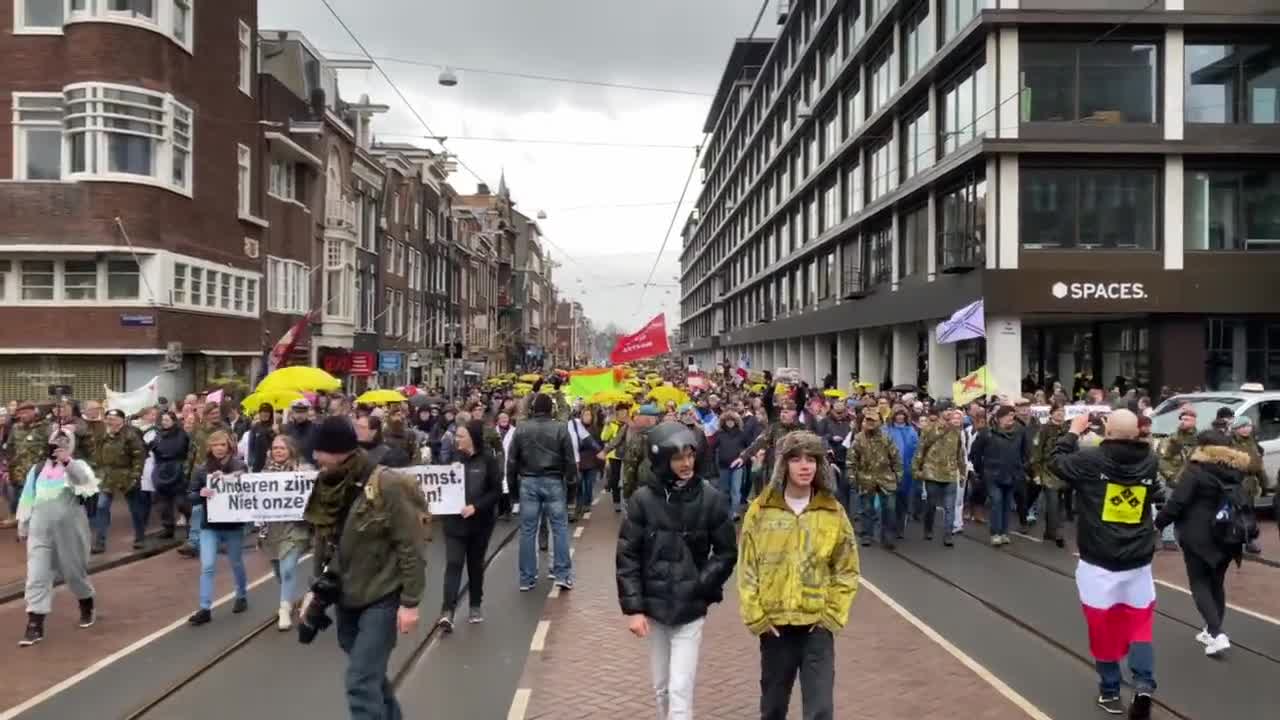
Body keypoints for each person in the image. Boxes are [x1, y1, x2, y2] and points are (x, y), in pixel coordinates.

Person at [303, 415, 428, 720]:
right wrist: (314, 591)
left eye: (318, 452)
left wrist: (410, 602)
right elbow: (323, 540)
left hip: (382, 595)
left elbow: (410, 544)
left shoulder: (387, 484)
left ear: (337, 450)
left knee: (359, 683)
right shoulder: (325, 484)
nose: (314, 458)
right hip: (345, 595)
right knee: (371, 680)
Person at [616, 422, 737, 720]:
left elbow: (726, 552)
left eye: (690, 455)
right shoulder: (642, 501)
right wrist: (634, 609)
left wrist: (701, 584)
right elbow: (627, 555)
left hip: (690, 610)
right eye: (677, 457)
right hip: (654, 608)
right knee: (662, 687)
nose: (686, 464)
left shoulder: (711, 499)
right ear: (661, 460)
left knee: (681, 687)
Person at [738, 431, 859, 720]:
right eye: (796, 459)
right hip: (775, 627)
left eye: (811, 459)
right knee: (773, 707)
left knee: (819, 710)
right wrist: (758, 618)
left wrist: (830, 617)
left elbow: (847, 569)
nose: (804, 466)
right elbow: (748, 568)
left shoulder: (833, 512)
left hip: (816, 627)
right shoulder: (761, 510)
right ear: (783, 465)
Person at [1048, 410, 1161, 719]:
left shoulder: (1091, 460)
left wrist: (1072, 431)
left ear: (1106, 432)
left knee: (1103, 628)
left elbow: (1056, 462)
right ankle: (1143, 684)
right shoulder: (1150, 460)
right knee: (1139, 625)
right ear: (1137, 432)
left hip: (1099, 560)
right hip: (1137, 559)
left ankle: (1110, 692)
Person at [1154, 430, 1252, 658]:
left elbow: (1177, 502)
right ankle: (1211, 629)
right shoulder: (1236, 470)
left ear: (1204, 447)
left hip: (1197, 535)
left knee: (1199, 582)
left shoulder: (1196, 471)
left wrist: (1158, 524)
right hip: (1228, 535)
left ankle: (1217, 633)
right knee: (1217, 582)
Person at [16, 433, 99, 646]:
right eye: (56, 441)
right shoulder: (37, 469)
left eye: (64, 442)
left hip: (69, 531)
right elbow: (27, 497)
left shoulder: (77, 466)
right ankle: (34, 624)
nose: (58, 446)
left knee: (74, 574)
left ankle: (86, 602)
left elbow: (85, 482)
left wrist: (67, 462)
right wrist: (23, 525)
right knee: (37, 576)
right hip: (40, 531)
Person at [507, 393, 578, 592]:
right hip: (554, 481)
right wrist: (572, 492)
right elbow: (570, 462)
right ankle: (562, 574)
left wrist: (513, 494)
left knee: (528, 531)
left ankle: (527, 578)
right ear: (551, 410)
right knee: (560, 529)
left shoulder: (521, 429)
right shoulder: (560, 428)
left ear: (533, 409)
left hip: (528, 482)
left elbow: (511, 462)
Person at [438, 421, 501, 630]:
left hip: (480, 524)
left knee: (475, 565)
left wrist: (477, 507)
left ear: (472, 438)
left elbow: (496, 491)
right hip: (454, 524)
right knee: (453, 564)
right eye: (456, 436)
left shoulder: (488, 461)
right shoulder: (453, 459)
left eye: (461, 436)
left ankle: (475, 605)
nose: (456, 440)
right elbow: (441, 487)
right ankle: (447, 611)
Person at [187, 430, 249, 625]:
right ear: (210, 447)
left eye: (222, 445)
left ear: (229, 446)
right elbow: (190, 494)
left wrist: (232, 477)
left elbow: (248, 487)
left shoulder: (239, 465)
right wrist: (201, 494)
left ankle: (241, 595)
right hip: (209, 524)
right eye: (215, 445)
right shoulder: (201, 469)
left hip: (233, 524)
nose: (219, 449)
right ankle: (205, 608)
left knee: (236, 562)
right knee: (207, 565)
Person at [261, 435, 312, 631]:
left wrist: (306, 477)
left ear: (290, 449)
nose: (278, 451)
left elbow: (318, 484)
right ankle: (288, 598)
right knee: (278, 570)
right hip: (273, 529)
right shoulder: (263, 473)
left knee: (288, 567)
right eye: (275, 448)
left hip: (295, 527)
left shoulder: (303, 469)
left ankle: (284, 609)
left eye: (282, 448)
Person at [970, 405, 1029, 547]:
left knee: (1007, 504)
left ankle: (1004, 533)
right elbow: (975, 454)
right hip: (992, 475)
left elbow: (1025, 452)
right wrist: (980, 470)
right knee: (996, 501)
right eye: (1007, 416)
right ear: (998, 418)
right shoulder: (987, 433)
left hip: (1012, 474)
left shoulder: (1020, 432)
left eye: (1012, 415)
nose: (1010, 418)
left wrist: (1022, 467)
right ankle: (995, 533)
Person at [92, 409, 146, 554]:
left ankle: (140, 537)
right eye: (108, 418)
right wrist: (97, 471)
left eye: (114, 418)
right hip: (107, 476)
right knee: (102, 506)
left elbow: (138, 457)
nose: (110, 421)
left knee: (135, 508)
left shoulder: (131, 435)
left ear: (122, 420)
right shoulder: (103, 435)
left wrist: (135, 476)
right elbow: (97, 453)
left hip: (126, 475)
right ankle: (100, 542)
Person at [848, 409, 901, 549]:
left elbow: (895, 458)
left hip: (886, 478)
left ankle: (887, 536)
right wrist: (852, 477)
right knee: (867, 508)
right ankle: (866, 534)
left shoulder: (886, 438)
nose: (869, 423)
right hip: (866, 478)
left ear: (878, 422)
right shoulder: (858, 438)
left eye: (872, 421)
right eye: (867, 420)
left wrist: (898, 476)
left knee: (889, 509)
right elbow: (851, 460)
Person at [912, 408, 965, 546]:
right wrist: (916, 469)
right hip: (932, 472)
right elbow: (921, 448)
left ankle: (948, 534)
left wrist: (963, 472)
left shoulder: (956, 431)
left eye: (950, 410)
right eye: (946, 410)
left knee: (950, 506)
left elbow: (960, 453)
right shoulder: (929, 429)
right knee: (931, 504)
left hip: (950, 473)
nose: (948, 413)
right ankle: (928, 528)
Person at [1156, 407, 1197, 551]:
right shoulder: (1172, 439)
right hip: (1174, 480)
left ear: (1195, 421)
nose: (1184, 422)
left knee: (1193, 510)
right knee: (1170, 507)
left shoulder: (1199, 440)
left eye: (1188, 419)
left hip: (1194, 481)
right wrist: (1171, 477)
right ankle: (1168, 539)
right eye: (1183, 419)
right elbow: (1162, 460)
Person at [1032, 405, 1069, 547]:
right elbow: (1037, 451)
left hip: (1065, 471)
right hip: (1048, 471)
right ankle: (1057, 533)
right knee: (1053, 503)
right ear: (1051, 414)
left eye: (1062, 412)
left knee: (1061, 504)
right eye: (1058, 412)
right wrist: (1036, 471)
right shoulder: (1044, 429)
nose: (1060, 414)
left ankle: (1050, 531)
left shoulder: (1067, 430)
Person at [149, 411, 190, 539]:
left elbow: (181, 449)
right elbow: (154, 448)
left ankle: (191, 523)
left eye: (167, 420)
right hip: (161, 469)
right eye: (163, 420)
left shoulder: (181, 434)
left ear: (173, 421)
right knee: (163, 502)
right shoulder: (158, 435)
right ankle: (168, 527)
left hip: (177, 468)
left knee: (181, 501)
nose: (164, 422)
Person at [568, 406, 604, 520]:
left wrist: (601, 465)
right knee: (579, 485)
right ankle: (578, 507)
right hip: (579, 461)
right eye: (585, 415)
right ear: (581, 416)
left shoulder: (595, 429)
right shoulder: (575, 427)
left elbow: (599, 446)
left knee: (588, 484)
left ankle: (587, 503)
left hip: (592, 462)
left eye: (589, 415)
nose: (587, 417)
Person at [714, 410, 749, 519]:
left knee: (736, 490)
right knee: (724, 490)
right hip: (723, 466)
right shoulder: (719, 434)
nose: (730, 422)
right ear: (723, 422)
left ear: (736, 421)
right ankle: (724, 512)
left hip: (737, 466)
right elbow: (713, 448)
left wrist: (744, 459)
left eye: (732, 420)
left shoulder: (742, 433)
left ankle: (734, 512)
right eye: (727, 420)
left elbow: (748, 448)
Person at [284, 400, 319, 466]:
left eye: (303, 412)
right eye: (297, 412)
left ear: (307, 412)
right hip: (292, 466)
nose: (300, 415)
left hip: (311, 466)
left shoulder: (316, 428)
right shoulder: (287, 429)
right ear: (293, 413)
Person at [246, 403, 277, 473]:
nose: (264, 414)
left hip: (271, 463)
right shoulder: (255, 427)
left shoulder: (275, 427)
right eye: (262, 411)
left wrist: (276, 433)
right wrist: (250, 462)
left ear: (271, 414)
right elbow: (251, 445)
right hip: (257, 463)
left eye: (267, 412)